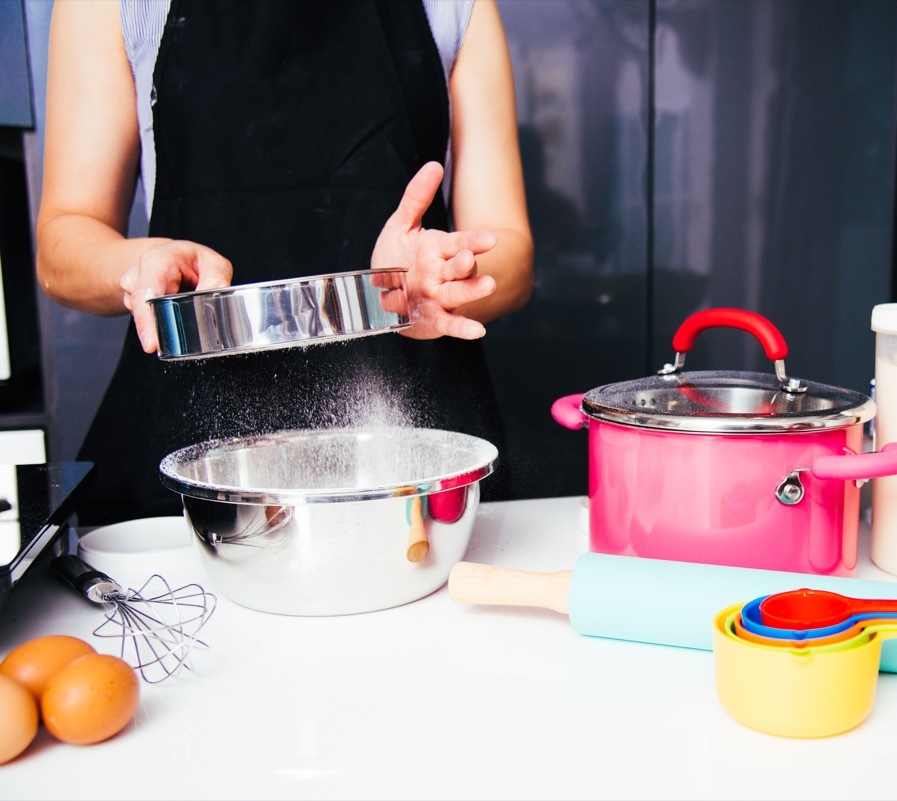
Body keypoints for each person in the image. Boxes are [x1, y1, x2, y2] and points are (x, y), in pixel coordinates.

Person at [36, 0, 534, 525]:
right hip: (192, 461)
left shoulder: (456, 7)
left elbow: (513, 254)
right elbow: (63, 241)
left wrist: (440, 278)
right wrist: (143, 262)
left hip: (414, 459)